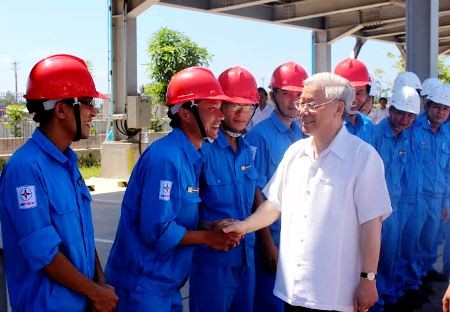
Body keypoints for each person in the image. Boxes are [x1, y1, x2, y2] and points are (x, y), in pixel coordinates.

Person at [225, 72, 392, 312]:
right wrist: (243, 226)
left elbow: (371, 224)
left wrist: (368, 279)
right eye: (301, 102)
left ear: (338, 108)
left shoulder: (362, 158)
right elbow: (274, 205)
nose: (301, 109)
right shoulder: (295, 152)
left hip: (335, 294)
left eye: (311, 104)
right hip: (293, 290)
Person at [105, 67, 241, 311]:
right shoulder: (165, 159)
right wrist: (209, 239)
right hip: (142, 288)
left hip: (165, 288)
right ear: (186, 114)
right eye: (212, 108)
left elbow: (175, 215)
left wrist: (209, 226)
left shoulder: (191, 157)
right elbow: (157, 231)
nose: (221, 115)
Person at [0, 54, 118, 311]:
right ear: (61, 110)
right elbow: (45, 254)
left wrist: (100, 283)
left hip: (83, 301)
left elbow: (83, 235)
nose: (93, 111)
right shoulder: (26, 169)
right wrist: (95, 293)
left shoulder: (68, 162)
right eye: (87, 102)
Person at [189, 66, 259, 312]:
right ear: (220, 106)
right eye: (234, 106)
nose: (242, 114)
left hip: (246, 261)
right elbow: (185, 211)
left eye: (248, 106)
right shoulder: (203, 150)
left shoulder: (248, 150)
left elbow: (256, 201)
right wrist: (211, 228)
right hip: (212, 263)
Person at [245, 61, 308, 312]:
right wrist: (268, 243)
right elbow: (255, 191)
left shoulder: (301, 133)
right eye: (287, 94)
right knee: (270, 304)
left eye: (299, 95)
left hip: (297, 235)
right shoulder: (259, 135)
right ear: (273, 96)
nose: (294, 100)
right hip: (273, 236)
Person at [370, 86, 420, 311]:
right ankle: (375, 302)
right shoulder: (374, 135)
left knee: (392, 253)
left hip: (396, 206)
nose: (404, 119)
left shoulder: (406, 137)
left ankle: (388, 297)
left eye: (410, 115)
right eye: (401, 113)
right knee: (374, 257)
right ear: (390, 110)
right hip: (373, 208)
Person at [334, 57, 374, 145]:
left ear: (367, 94)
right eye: (348, 92)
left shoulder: (368, 126)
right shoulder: (327, 125)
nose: (353, 99)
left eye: (359, 93)